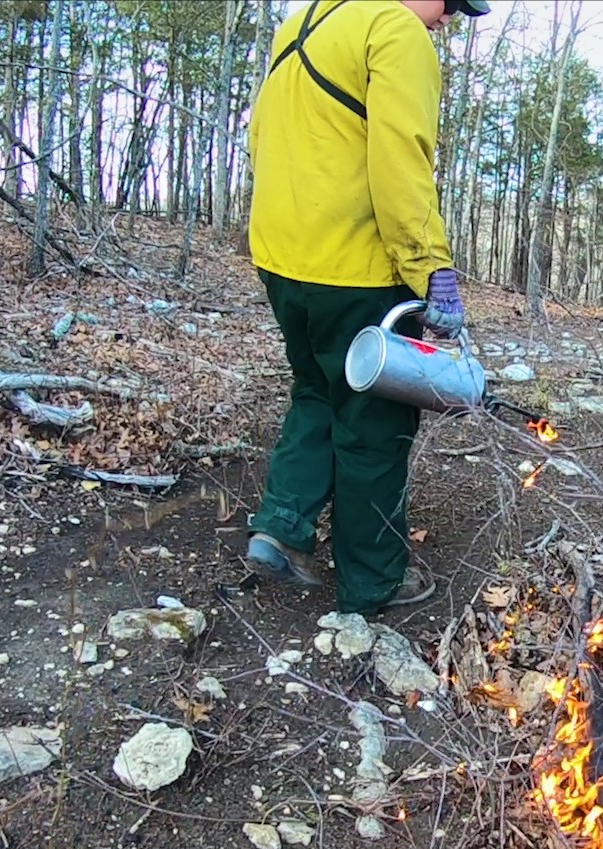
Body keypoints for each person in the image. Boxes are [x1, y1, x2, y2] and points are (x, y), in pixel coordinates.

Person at [244, 0, 490, 613]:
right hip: (357, 267)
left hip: (283, 260)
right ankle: (373, 582)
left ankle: (281, 527)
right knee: (374, 425)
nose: (448, 19)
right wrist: (429, 264)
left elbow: (264, 140)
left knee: (316, 391)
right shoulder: (394, 29)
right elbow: (400, 160)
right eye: (450, 6)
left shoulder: (301, 24)